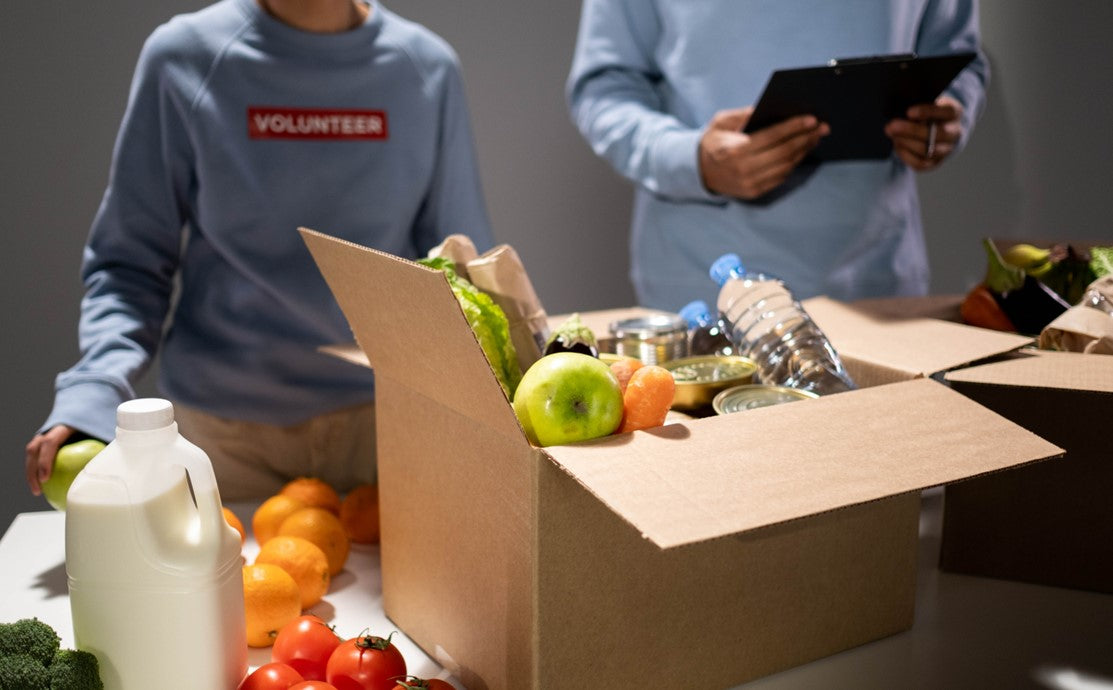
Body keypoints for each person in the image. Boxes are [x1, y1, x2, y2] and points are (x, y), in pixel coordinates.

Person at [25, 0, 493, 500]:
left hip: (381, 433)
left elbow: (459, 273)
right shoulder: (183, 57)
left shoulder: (425, 69)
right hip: (220, 444)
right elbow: (130, 263)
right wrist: (94, 388)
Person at [567, 1, 989, 312]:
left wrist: (950, 114)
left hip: (877, 281)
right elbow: (604, 89)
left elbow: (960, 60)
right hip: (706, 289)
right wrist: (692, 159)